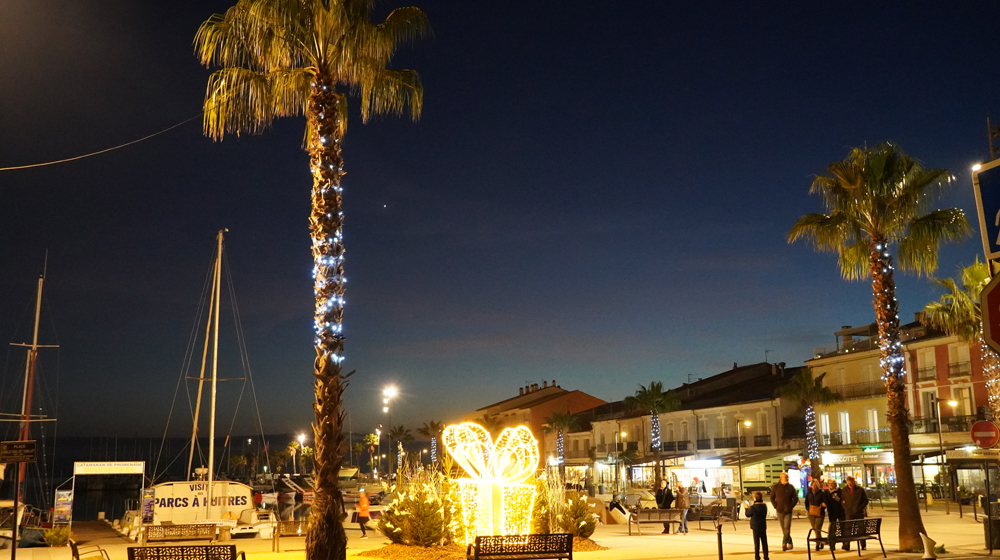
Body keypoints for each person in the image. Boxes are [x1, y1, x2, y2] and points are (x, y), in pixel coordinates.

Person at [770, 472, 799, 551]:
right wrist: (775, 506)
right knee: (784, 528)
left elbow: (795, 498)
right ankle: (790, 542)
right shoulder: (775, 487)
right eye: (785, 477)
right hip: (779, 510)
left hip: (788, 511)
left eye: (787, 477)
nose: (787, 478)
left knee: (787, 527)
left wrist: (790, 506)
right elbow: (772, 497)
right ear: (781, 478)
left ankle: (784, 543)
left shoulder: (791, 487)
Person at [841, 476, 869, 551]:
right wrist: (845, 506)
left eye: (851, 483)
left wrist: (860, 508)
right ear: (847, 482)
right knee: (848, 529)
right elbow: (842, 499)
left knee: (860, 528)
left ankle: (863, 544)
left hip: (858, 512)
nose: (850, 484)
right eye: (848, 483)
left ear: (854, 482)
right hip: (849, 512)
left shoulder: (860, 490)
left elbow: (865, 500)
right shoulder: (844, 490)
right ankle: (847, 545)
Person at [746, 491, 769, 560]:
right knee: (764, 541)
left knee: (756, 543)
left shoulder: (753, 507)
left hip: (755, 526)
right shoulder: (764, 506)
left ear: (755, 498)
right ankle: (766, 556)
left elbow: (747, 514)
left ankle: (757, 556)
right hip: (762, 525)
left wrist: (747, 508)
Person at [805, 479, 827, 550]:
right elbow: (806, 501)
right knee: (815, 529)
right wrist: (808, 508)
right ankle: (821, 541)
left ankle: (817, 544)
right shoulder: (809, 493)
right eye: (813, 485)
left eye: (815, 485)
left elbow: (825, 502)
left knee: (817, 528)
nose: (814, 486)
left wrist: (822, 506)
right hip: (811, 513)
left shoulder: (821, 492)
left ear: (817, 485)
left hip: (820, 513)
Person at [825, 479, 846, 551]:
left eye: (832, 483)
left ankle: (845, 544)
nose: (831, 485)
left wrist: (838, 499)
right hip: (832, 513)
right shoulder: (827, 492)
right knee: (832, 529)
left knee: (842, 528)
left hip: (840, 512)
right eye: (829, 483)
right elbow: (826, 501)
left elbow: (842, 500)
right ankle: (832, 545)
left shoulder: (839, 491)